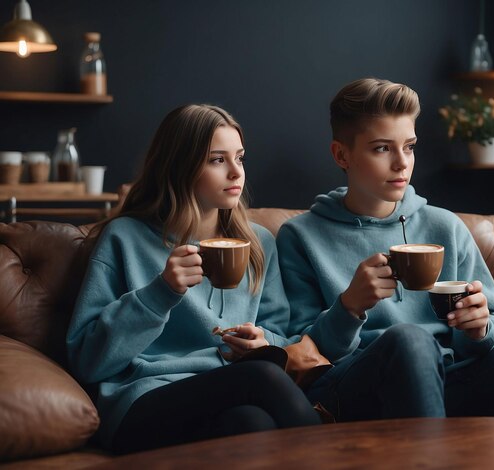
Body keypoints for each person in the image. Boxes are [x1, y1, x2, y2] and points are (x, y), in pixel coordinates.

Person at [276, 77, 494, 423]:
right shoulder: (300, 237)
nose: (401, 163)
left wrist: (478, 329)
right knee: (410, 341)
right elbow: (302, 357)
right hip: (367, 391)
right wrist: (348, 307)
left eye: (409, 146)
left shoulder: (445, 226)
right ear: (341, 154)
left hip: (462, 385)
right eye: (382, 148)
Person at [67, 104, 319, 454]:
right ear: (179, 167)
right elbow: (88, 362)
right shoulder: (124, 238)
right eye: (217, 160)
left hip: (229, 395)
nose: (236, 172)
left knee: (251, 423)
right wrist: (160, 293)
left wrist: (263, 343)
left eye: (240, 158)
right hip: (144, 401)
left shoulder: (258, 243)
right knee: (262, 378)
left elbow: (281, 334)